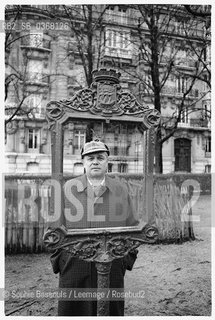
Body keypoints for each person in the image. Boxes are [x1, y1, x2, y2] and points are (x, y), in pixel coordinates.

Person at [50, 139, 138, 316]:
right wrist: (62, 261)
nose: (95, 162)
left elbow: (133, 228)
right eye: (90, 158)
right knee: (73, 311)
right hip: (74, 266)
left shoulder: (120, 189)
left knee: (109, 311)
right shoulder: (68, 189)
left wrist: (124, 261)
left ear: (107, 162)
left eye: (100, 157)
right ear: (83, 162)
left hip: (112, 265)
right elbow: (53, 230)